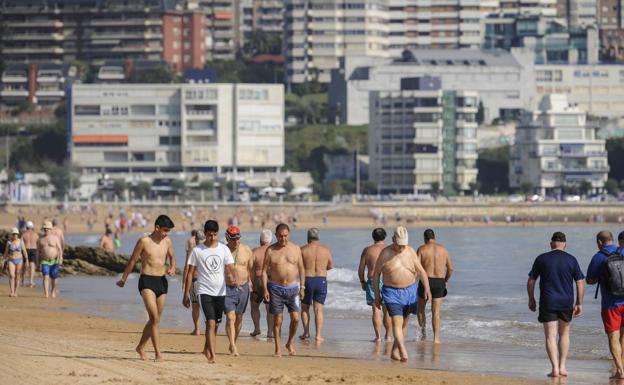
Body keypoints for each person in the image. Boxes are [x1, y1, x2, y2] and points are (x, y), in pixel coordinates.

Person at [116, 215, 176, 362]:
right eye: (165, 230)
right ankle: (158, 353)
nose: (166, 233)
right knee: (154, 318)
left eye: (168, 231)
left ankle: (140, 347)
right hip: (147, 281)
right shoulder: (144, 241)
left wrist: (173, 267)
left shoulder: (167, 241)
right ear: (157, 228)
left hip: (161, 281)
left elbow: (172, 257)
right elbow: (132, 260)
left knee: (156, 320)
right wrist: (124, 279)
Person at [527, 231, 585, 378]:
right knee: (564, 334)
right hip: (566, 303)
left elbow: (531, 280)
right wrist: (579, 302)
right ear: (565, 244)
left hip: (548, 302)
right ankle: (563, 366)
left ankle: (554, 369)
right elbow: (580, 282)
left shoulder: (541, 258)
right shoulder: (572, 259)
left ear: (551, 243)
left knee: (550, 336)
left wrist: (531, 299)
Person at [183, 220, 238, 363]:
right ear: (205, 234)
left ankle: (206, 348)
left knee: (216, 324)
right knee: (210, 323)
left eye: (214, 235)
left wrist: (235, 277)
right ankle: (212, 355)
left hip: (220, 292)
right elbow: (190, 273)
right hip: (203, 291)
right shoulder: (197, 250)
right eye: (209, 235)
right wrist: (185, 294)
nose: (212, 238)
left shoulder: (223, 249)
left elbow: (231, 266)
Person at [373, 226, 431, 362]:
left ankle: (395, 351)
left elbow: (421, 271)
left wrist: (427, 288)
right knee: (396, 322)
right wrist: (377, 296)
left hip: (410, 291)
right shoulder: (385, 254)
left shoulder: (410, 251)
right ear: (393, 240)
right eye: (399, 245)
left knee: (404, 324)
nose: (401, 248)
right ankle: (404, 352)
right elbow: (376, 275)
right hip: (391, 292)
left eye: (403, 245)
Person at [262, 223, 305, 357]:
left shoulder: (296, 249)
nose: (283, 239)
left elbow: (302, 269)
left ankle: (289, 343)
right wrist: (265, 290)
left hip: (293, 288)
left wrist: (302, 287)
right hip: (276, 288)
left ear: (289, 234)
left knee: (296, 318)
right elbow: (263, 272)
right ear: (276, 235)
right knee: (278, 320)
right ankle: (277, 348)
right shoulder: (270, 250)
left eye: (285, 236)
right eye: (280, 236)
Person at [586, 230, 624, 379]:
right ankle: (622, 365)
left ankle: (620, 371)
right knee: (623, 335)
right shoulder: (622, 251)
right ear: (613, 239)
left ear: (599, 242)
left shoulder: (598, 257)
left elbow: (590, 280)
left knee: (613, 336)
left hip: (610, 304)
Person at [416, 229, 454, 343]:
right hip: (439, 282)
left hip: (425, 281)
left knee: (421, 309)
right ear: (434, 237)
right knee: (436, 312)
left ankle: (423, 334)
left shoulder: (422, 249)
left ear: (424, 238)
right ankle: (436, 339)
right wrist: (446, 280)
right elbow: (450, 269)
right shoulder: (443, 249)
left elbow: (416, 268)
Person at [223, 225, 253, 356]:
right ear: (227, 238)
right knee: (230, 317)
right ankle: (234, 346)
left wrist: (251, 283)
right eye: (233, 239)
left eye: (238, 238)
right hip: (227, 288)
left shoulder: (246, 250)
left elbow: (249, 269)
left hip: (243, 287)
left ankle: (233, 342)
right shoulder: (222, 250)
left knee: (239, 318)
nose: (236, 241)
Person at [358, 227, 391, 342]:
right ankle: (388, 336)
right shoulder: (390, 249)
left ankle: (378, 337)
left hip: (373, 280)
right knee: (387, 309)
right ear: (385, 236)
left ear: (373, 237)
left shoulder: (367, 250)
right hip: (388, 279)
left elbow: (361, 268)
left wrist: (362, 281)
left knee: (376, 308)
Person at [300, 228, 333, 342]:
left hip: (307, 280)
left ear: (308, 237)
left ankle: (306, 332)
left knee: (305, 308)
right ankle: (318, 335)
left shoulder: (303, 250)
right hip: (321, 280)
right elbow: (330, 266)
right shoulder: (326, 250)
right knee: (318, 309)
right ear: (318, 237)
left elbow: (299, 267)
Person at [250, 229, 274, 338]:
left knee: (255, 306)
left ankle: (257, 328)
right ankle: (270, 332)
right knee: (269, 307)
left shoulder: (254, 251)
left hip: (258, 279)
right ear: (271, 240)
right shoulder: (274, 251)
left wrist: (253, 286)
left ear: (260, 240)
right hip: (271, 280)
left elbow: (250, 270)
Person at [183, 230, 205, 336]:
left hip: (195, 281)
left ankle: (197, 329)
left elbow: (187, 269)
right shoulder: (210, 250)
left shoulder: (193, 251)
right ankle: (209, 328)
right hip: (206, 282)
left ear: (196, 240)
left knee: (195, 306)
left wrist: (185, 287)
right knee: (207, 306)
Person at [37, 221, 63, 298]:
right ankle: (46, 293)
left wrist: (60, 257)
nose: (46, 230)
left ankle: (52, 291)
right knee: (45, 276)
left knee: (54, 277)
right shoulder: (40, 239)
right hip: (44, 261)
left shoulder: (55, 238)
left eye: (48, 229)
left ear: (51, 229)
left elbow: (60, 249)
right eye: (45, 229)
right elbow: (38, 251)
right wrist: (38, 262)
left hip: (54, 260)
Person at [4, 228, 28, 297]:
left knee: (17, 275)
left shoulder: (20, 241)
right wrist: (3, 260)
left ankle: (16, 292)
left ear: (18, 235)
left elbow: (24, 251)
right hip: (11, 260)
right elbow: (6, 252)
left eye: (16, 234)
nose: (15, 235)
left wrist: (26, 260)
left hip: (19, 260)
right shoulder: (9, 242)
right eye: (13, 234)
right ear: (11, 235)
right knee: (12, 275)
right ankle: (12, 291)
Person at [21, 221, 39, 288]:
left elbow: (21, 243)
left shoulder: (24, 234)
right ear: (32, 227)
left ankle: (23, 281)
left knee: (24, 265)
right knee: (32, 265)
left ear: (26, 227)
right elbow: (38, 243)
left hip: (26, 249)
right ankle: (31, 281)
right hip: (33, 250)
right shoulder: (36, 234)